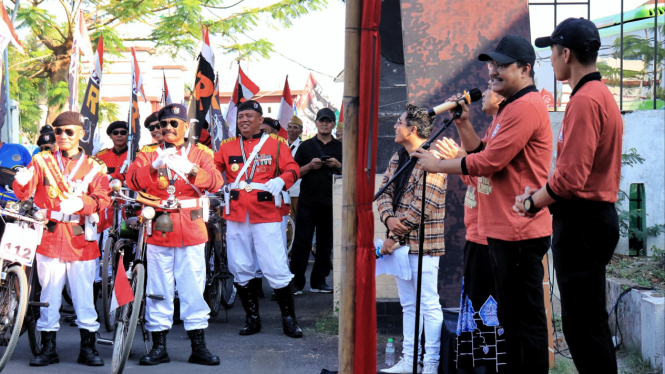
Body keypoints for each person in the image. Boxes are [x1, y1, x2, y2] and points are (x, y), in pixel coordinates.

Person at [411, 35, 553, 373]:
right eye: (491, 64)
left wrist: (439, 165)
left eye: (501, 65)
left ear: (525, 69)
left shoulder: (526, 107)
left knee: (524, 323)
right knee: (509, 320)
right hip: (503, 231)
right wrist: (462, 123)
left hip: (520, 231)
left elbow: (488, 164)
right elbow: (482, 154)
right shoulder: (508, 109)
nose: (492, 71)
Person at [513, 19, 623, 374]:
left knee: (583, 328)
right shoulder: (600, 95)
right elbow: (573, 176)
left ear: (566, 53)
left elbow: (570, 180)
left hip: (582, 224)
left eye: (551, 52)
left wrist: (533, 202)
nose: (550, 60)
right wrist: (543, 194)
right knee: (588, 324)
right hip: (591, 219)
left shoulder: (585, 100)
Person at [126, 103, 223, 366]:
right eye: (163, 124)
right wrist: (154, 167)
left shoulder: (201, 153)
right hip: (159, 228)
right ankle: (159, 347)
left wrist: (191, 169)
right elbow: (131, 181)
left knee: (193, 288)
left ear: (185, 127)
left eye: (173, 123)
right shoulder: (147, 155)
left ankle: (198, 347)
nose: (167, 128)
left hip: (191, 228)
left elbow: (216, 182)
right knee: (159, 289)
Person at [13, 111, 111, 367]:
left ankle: (88, 348)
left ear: (81, 134)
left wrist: (82, 202)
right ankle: (48, 348)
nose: (63, 136)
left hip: (81, 240)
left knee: (84, 297)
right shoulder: (42, 160)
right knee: (50, 295)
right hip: (51, 236)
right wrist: (20, 182)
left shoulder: (94, 166)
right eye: (59, 132)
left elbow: (103, 199)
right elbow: (24, 192)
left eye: (69, 131)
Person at [214, 100, 303, 338]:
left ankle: (289, 320)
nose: (244, 120)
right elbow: (211, 171)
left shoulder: (276, 144)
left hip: (267, 213)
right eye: (240, 116)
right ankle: (252, 318)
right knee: (240, 266)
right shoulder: (227, 146)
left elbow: (293, 169)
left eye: (249, 116)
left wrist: (281, 180)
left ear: (260, 120)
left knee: (275, 266)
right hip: (236, 213)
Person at [437, 81, 507, 373]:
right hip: (475, 233)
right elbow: (474, 177)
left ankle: (489, 367)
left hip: (490, 236)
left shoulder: (505, 131)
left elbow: (487, 178)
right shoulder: (493, 129)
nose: (486, 91)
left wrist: (459, 160)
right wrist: (462, 155)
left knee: (488, 312)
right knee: (476, 312)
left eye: (493, 86)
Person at [376, 104, 447, 374]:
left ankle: (430, 364)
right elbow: (383, 193)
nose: (395, 126)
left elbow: (422, 207)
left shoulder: (434, 158)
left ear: (413, 129)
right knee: (408, 305)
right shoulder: (398, 156)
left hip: (424, 247)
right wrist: (388, 219)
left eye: (399, 122)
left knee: (428, 304)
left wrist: (393, 234)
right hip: (399, 247)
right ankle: (410, 360)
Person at [289, 108, 342, 294]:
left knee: (325, 243)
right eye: (322, 120)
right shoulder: (306, 147)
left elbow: (350, 175)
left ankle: (318, 281)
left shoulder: (341, 147)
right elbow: (294, 173)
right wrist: (310, 166)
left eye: (328, 121)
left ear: (333, 124)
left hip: (330, 202)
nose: (325, 124)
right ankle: (296, 282)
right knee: (301, 242)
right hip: (307, 201)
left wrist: (338, 165)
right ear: (316, 123)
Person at [286, 115, 303, 216]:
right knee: (286, 222)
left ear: (300, 131)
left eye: (295, 127)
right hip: (284, 190)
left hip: (297, 190)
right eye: (289, 127)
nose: (291, 130)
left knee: (299, 219)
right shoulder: (281, 145)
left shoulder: (303, 146)